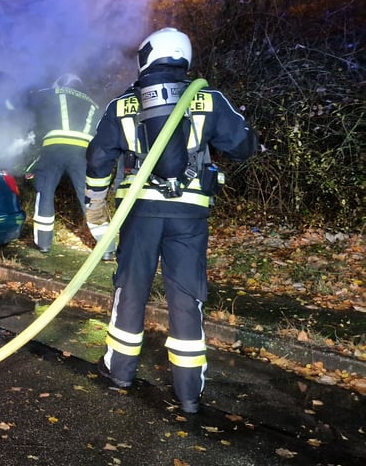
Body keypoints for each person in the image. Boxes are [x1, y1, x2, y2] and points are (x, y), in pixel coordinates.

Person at [84, 27, 260, 414]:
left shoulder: (122, 105)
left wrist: (95, 204)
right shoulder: (209, 99)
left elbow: (97, 159)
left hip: (139, 213)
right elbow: (244, 146)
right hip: (190, 215)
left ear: (147, 56)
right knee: (186, 297)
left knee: (129, 291)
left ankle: (120, 372)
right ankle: (189, 393)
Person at [23, 73, 114, 258]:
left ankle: (44, 244)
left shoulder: (51, 93)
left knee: (45, 193)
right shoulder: (93, 104)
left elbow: (33, 115)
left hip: (54, 148)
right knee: (90, 197)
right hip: (82, 152)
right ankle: (108, 248)